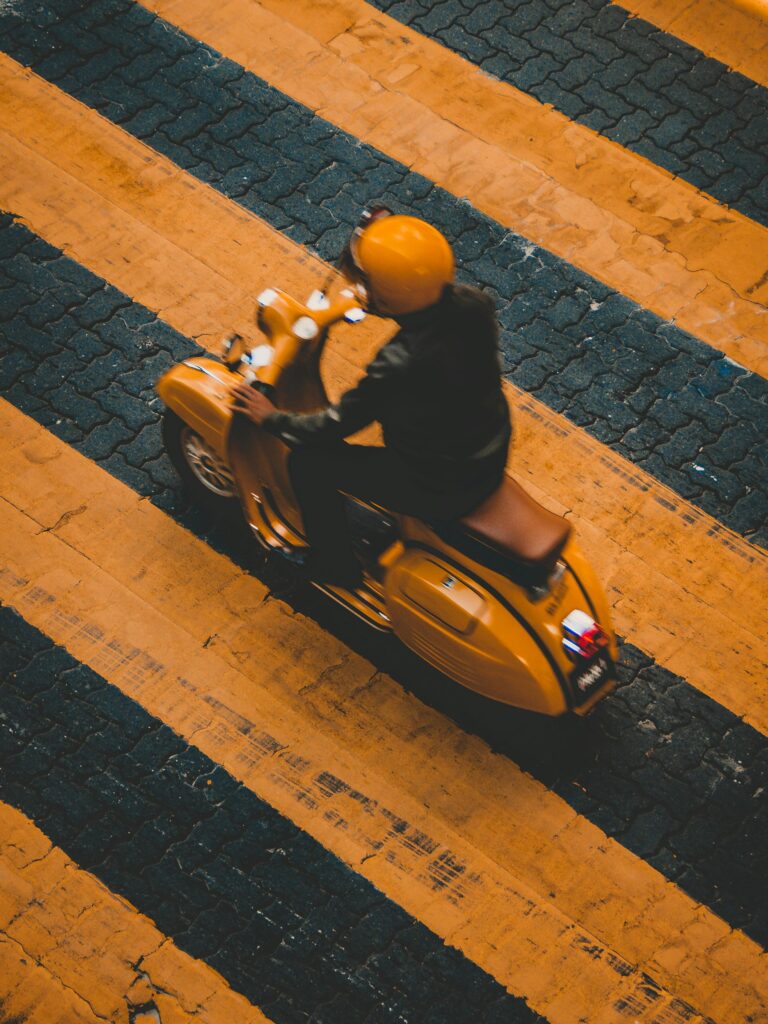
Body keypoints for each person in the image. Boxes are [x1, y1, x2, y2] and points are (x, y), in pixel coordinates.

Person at [232, 206, 511, 590]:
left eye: (370, 284)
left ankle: (334, 566)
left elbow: (331, 426)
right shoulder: (474, 305)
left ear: (389, 293)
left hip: (438, 484)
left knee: (309, 462)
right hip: (485, 452)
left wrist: (270, 417)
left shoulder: (398, 364)